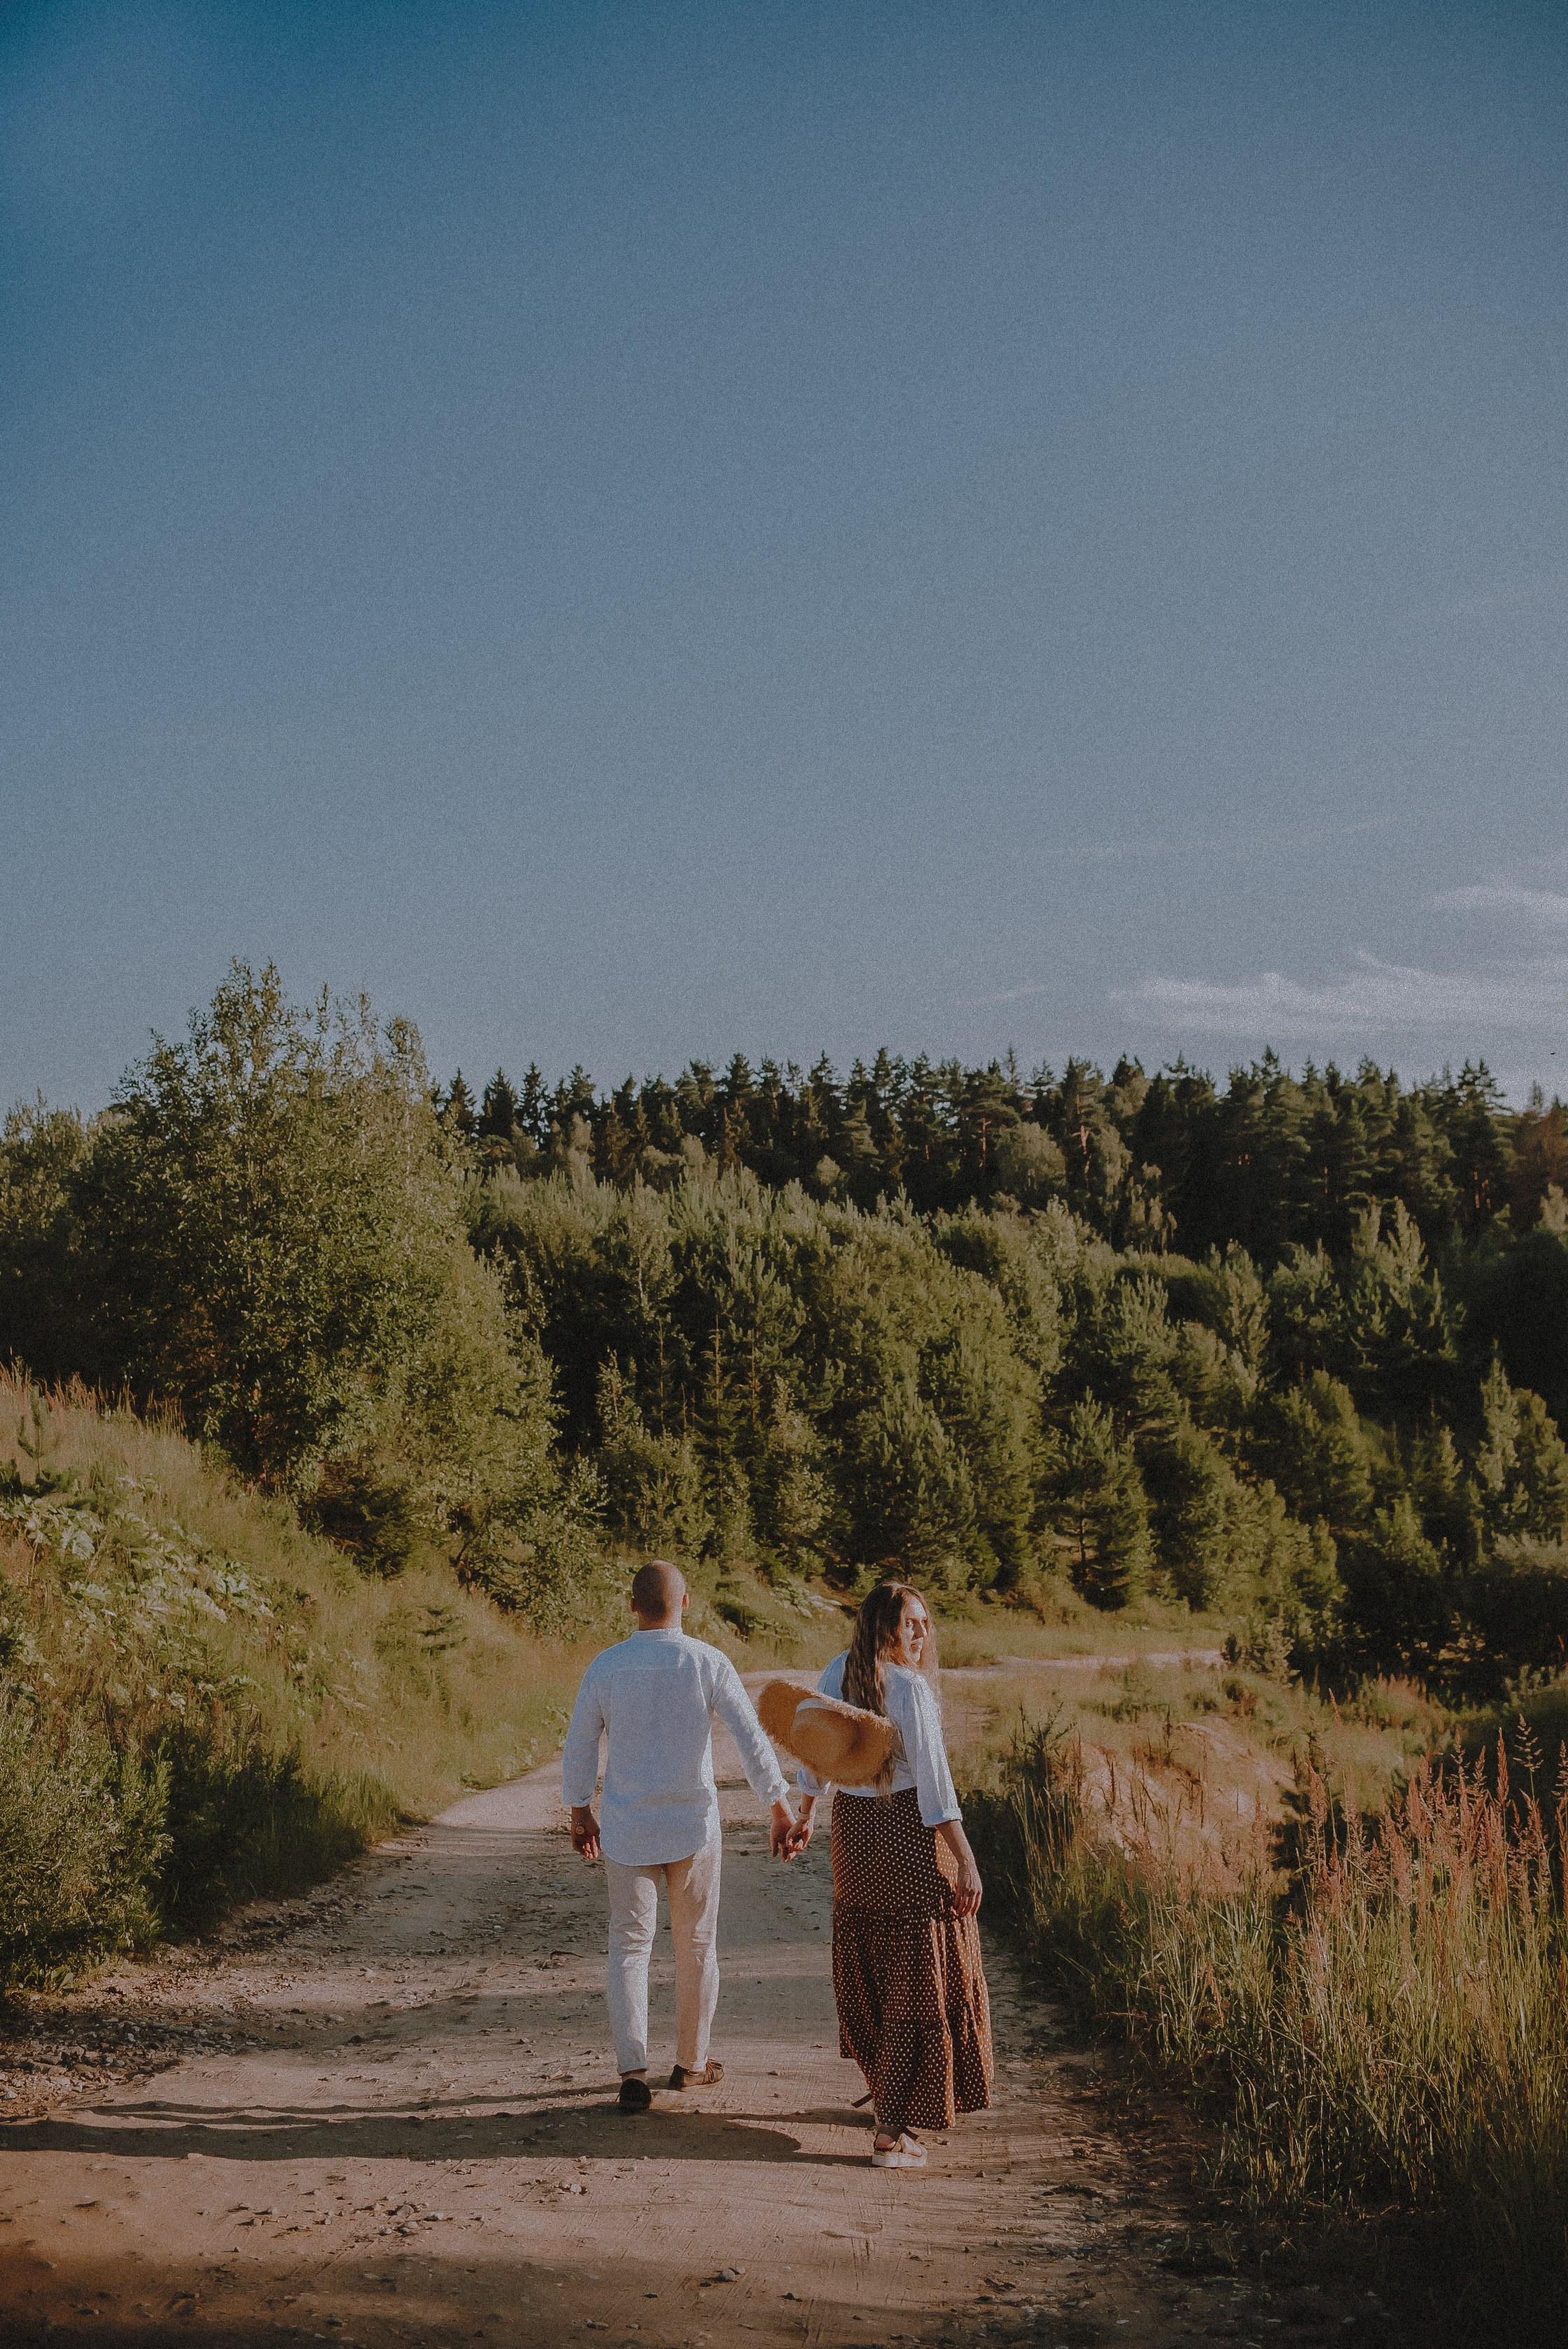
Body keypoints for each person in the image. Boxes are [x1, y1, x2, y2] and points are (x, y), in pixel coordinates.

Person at [561, 1559, 799, 2113]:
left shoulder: (607, 1666)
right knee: (695, 1948)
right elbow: (750, 1737)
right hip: (693, 1828)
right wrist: (779, 1806)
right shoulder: (707, 1662)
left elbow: (579, 1743)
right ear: (686, 1603)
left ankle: (632, 2071)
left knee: (629, 1946)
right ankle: (692, 2065)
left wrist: (580, 1812)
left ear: (632, 1605)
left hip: (625, 1828)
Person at [788, 1580, 993, 2169]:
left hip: (854, 1832)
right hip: (906, 1832)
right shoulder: (908, 1687)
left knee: (873, 1964)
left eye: (926, 1623)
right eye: (912, 1625)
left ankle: (887, 2088)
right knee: (917, 1971)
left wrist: (805, 1815)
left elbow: (815, 1754)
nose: (923, 1634)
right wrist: (968, 1859)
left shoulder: (836, 1672)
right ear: (886, 1631)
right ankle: (891, 2130)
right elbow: (935, 1785)